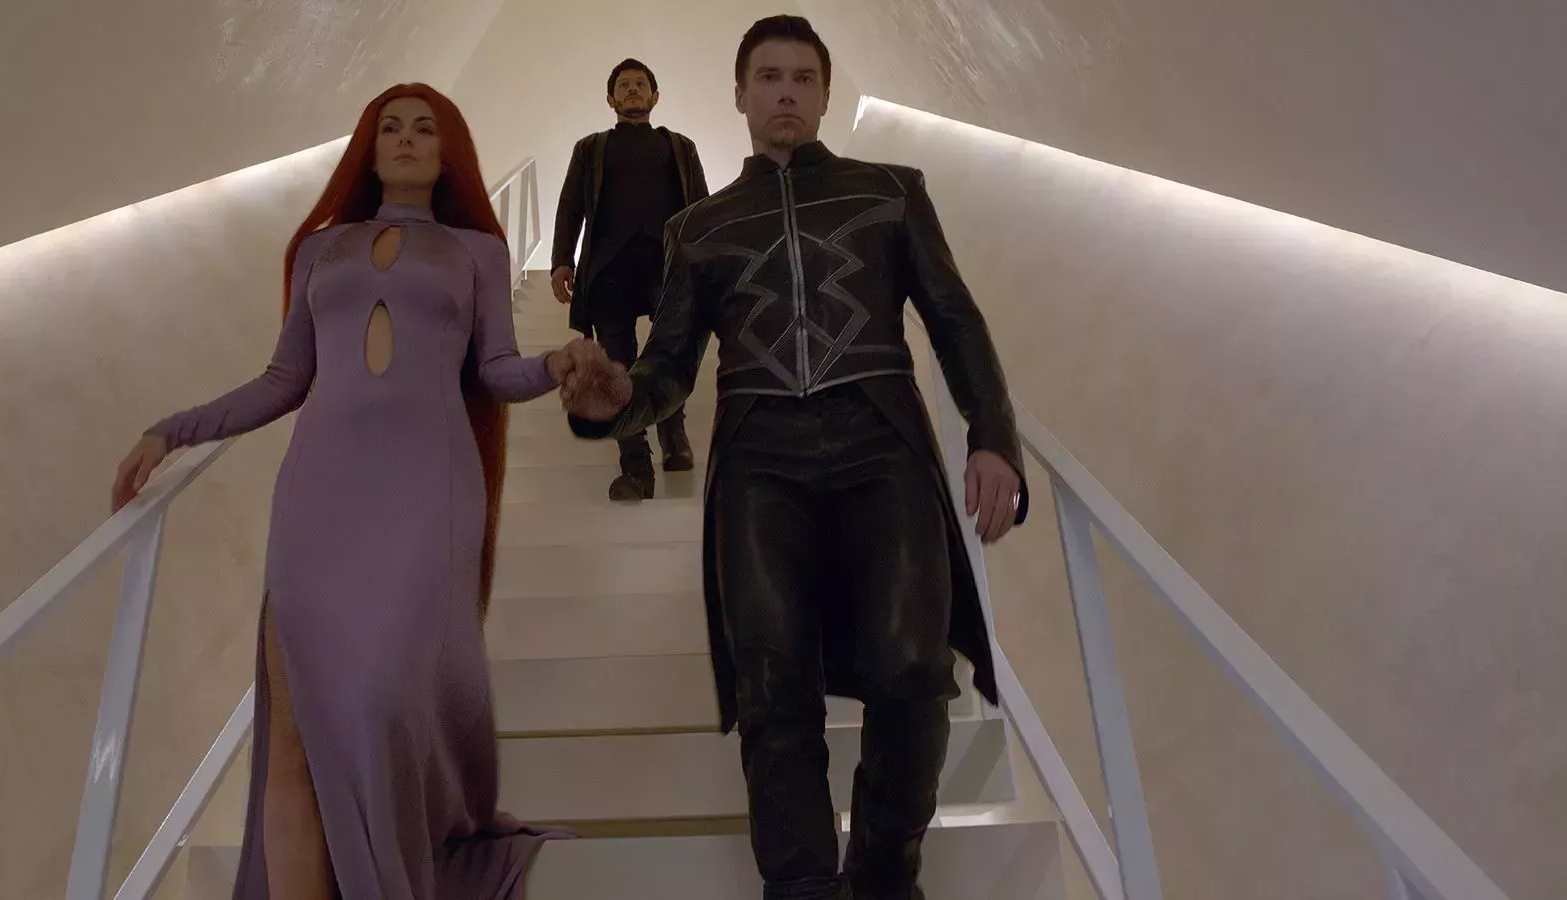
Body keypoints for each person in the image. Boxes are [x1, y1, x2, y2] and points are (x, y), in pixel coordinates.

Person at [559, 16, 1027, 900]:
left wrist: (993, 436)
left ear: (823, 94)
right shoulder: (698, 227)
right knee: (771, 690)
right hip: (758, 462)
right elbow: (669, 367)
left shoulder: (891, 191)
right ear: (739, 95)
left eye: (803, 78)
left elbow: (954, 317)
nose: (785, 92)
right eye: (768, 77)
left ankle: (884, 874)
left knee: (913, 668)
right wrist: (617, 402)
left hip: (882, 445)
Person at [111, 84, 574, 899]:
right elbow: (283, 379)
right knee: (292, 739)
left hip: (431, 491)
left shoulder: (477, 250)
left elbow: (498, 371)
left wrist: (557, 366)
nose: (406, 139)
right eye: (390, 127)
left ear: (448, 152)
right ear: (369, 147)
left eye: (424, 128)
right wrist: (174, 430)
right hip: (319, 493)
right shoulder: (321, 248)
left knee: (382, 704)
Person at [550, 58, 710, 501]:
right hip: (608, 270)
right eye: (624, 85)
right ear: (610, 98)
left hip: (667, 267)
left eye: (641, 84)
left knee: (671, 352)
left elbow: (702, 208)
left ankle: (674, 435)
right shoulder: (589, 148)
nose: (633, 90)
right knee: (616, 364)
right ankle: (635, 468)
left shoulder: (681, 147)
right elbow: (570, 206)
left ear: (655, 96)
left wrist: (709, 262)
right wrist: (562, 260)